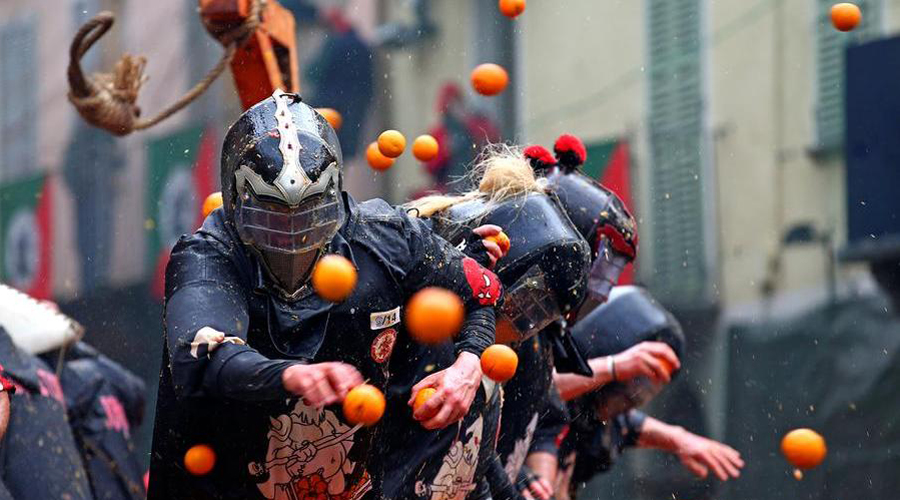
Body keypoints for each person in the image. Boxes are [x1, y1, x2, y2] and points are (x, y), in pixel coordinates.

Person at [148, 90, 502, 500]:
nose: (294, 239)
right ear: (237, 202)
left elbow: (481, 292)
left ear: (334, 198)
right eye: (272, 219)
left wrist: (469, 362)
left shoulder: (386, 237)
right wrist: (292, 375)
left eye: (310, 216)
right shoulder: (207, 255)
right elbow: (205, 358)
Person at [399, 145, 592, 500]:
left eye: (539, 316)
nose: (524, 330)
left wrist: (512, 490)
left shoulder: (479, 363)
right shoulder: (404, 322)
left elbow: (476, 454)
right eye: (526, 306)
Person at [551, 286, 743, 500]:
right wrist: (615, 367)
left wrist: (679, 440)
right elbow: (543, 393)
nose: (641, 392)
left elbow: (627, 425)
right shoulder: (547, 402)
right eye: (638, 373)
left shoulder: (596, 419)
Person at [417, 83, 500, 195]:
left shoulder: (475, 126)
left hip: (477, 184)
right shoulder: (439, 133)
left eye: (456, 103)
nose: (454, 108)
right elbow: (430, 167)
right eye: (450, 105)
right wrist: (445, 151)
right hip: (449, 187)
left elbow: (492, 146)